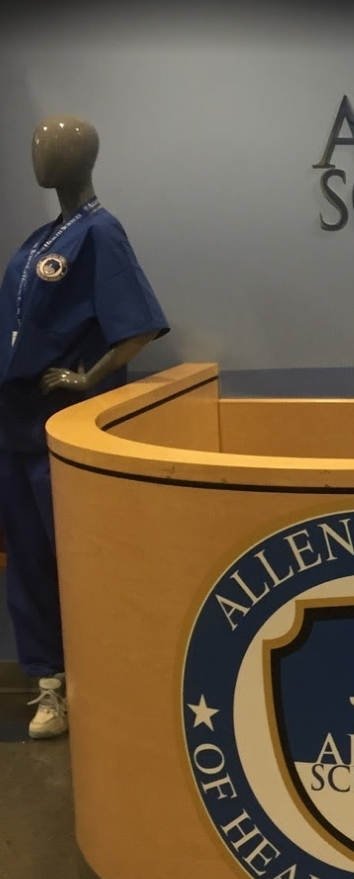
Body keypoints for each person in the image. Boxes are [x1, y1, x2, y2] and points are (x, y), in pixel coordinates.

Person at [0, 114, 169, 738]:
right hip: (14, 424)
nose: (39, 154)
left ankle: (102, 683)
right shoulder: (42, 238)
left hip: (62, 429)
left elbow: (140, 324)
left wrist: (87, 377)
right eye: (37, 143)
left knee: (78, 558)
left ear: (81, 156)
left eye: (51, 145)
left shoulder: (100, 231)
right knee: (26, 559)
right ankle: (49, 684)